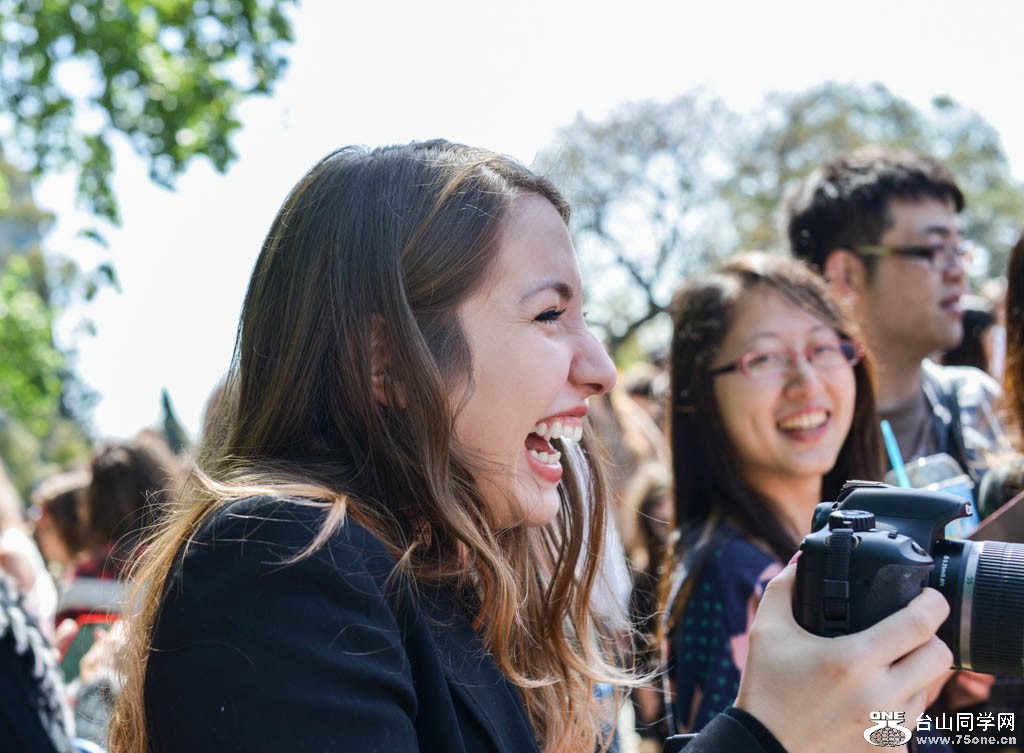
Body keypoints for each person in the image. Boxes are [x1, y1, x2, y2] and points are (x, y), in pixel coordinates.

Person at [109, 141, 953, 753]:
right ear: (385, 360)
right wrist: (766, 737)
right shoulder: (280, 559)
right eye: (550, 315)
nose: (600, 369)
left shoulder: (476, 583)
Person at [660, 252, 883, 733]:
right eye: (765, 358)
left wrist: (953, 704)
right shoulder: (736, 576)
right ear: (702, 395)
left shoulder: (844, 547)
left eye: (823, 348)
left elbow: (886, 728)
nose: (806, 383)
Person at [786, 146, 1009, 486]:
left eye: (959, 250)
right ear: (847, 275)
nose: (957, 272)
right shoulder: (798, 431)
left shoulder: (976, 407)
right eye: (934, 250)